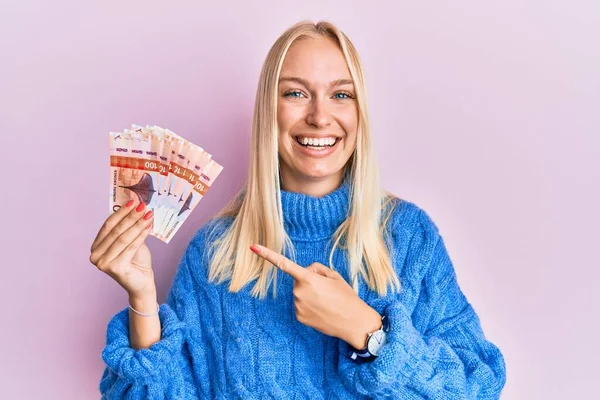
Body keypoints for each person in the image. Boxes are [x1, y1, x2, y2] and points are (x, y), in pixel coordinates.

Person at [90, 20, 507, 399]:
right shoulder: (213, 254)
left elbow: (479, 388)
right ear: (268, 112)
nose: (320, 116)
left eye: (341, 94)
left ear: (360, 114)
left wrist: (368, 332)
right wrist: (142, 298)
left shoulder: (409, 236)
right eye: (296, 93)